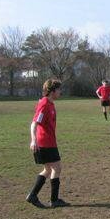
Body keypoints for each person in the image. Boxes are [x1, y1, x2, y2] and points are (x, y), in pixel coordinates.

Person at [26, 78, 70, 208]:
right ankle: (53, 200)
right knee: (56, 168)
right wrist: (33, 140)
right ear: (52, 91)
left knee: (48, 169)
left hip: (49, 141)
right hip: (44, 142)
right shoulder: (45, 104)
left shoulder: (50, 104)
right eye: (59, 89)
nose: (60, 92)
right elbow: (34, 123)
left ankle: (33, 195)